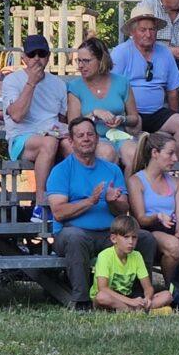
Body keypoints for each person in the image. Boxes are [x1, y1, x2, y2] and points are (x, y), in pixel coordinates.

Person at [48, 116, 155, 310]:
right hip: (72, 232)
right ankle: (81, 301)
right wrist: (90, 201)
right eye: (80, 135)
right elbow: (58, 212)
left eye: (90, 134)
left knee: (145, 238)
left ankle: (139, 298)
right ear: (71, 141)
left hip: (109, 234)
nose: (86, 138)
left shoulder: (112, 169)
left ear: (97, 138)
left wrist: (114, 201)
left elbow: (124, 209)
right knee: (75, 238)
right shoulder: (61, 171)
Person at [127, 130, 179, 310]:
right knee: (173, 246)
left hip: (174, 230)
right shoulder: (136, 181)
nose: (175, 158)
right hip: (150, 230)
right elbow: (140, 218)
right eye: (170, 153)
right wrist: (157, 216)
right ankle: (173, 292)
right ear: (155, 153)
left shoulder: (176, 182)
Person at [0, 34, 69, 221]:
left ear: (48, 56)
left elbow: (63, 118)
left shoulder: (59, 84)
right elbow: (16, 115)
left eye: (41, 54)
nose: (37, 59)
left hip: (53, 135)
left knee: (73, 146)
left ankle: (78, 201)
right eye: (32, 54)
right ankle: (41, 204)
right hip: (22, 138)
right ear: (24, 58)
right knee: (49, 143)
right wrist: (31, 83)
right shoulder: (12, 81)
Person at [111, 4, 179, 156]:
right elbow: (111, 87)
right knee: (136, 126)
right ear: (133, 32)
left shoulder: (165, 53)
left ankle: (171, 165)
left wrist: (172, 115)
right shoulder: (121, 52)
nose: (148, 34)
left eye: (152, 29)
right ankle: (138, 166)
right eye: (143, 30)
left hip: (157, 113)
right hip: (130, 114)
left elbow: (173, 91)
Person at [65, 36, 140, 166]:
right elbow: (73, 125)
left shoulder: (122, 82)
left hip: (119, 135)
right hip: (93, 139)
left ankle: (128, 181)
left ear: (101, 60)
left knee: (134, 153)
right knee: (107, 153)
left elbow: (134, 118)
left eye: (86, 61)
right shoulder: (75, 87)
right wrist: (94, 114)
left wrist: (122, 119)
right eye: (79, 61)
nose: (81, 66)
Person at [93, 215, 172, 313]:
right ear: (113, 238)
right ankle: (141, 311)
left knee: (167, 295)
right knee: (102, 297)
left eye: (134, 237)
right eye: (126, 237)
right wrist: (130, 301)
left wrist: (147, 299)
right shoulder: (104, 256)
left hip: (128, 300)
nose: (131, 242)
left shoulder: (137, 256)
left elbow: (148, 288)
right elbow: (103, 289)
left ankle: (133, 310)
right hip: (110, 299)